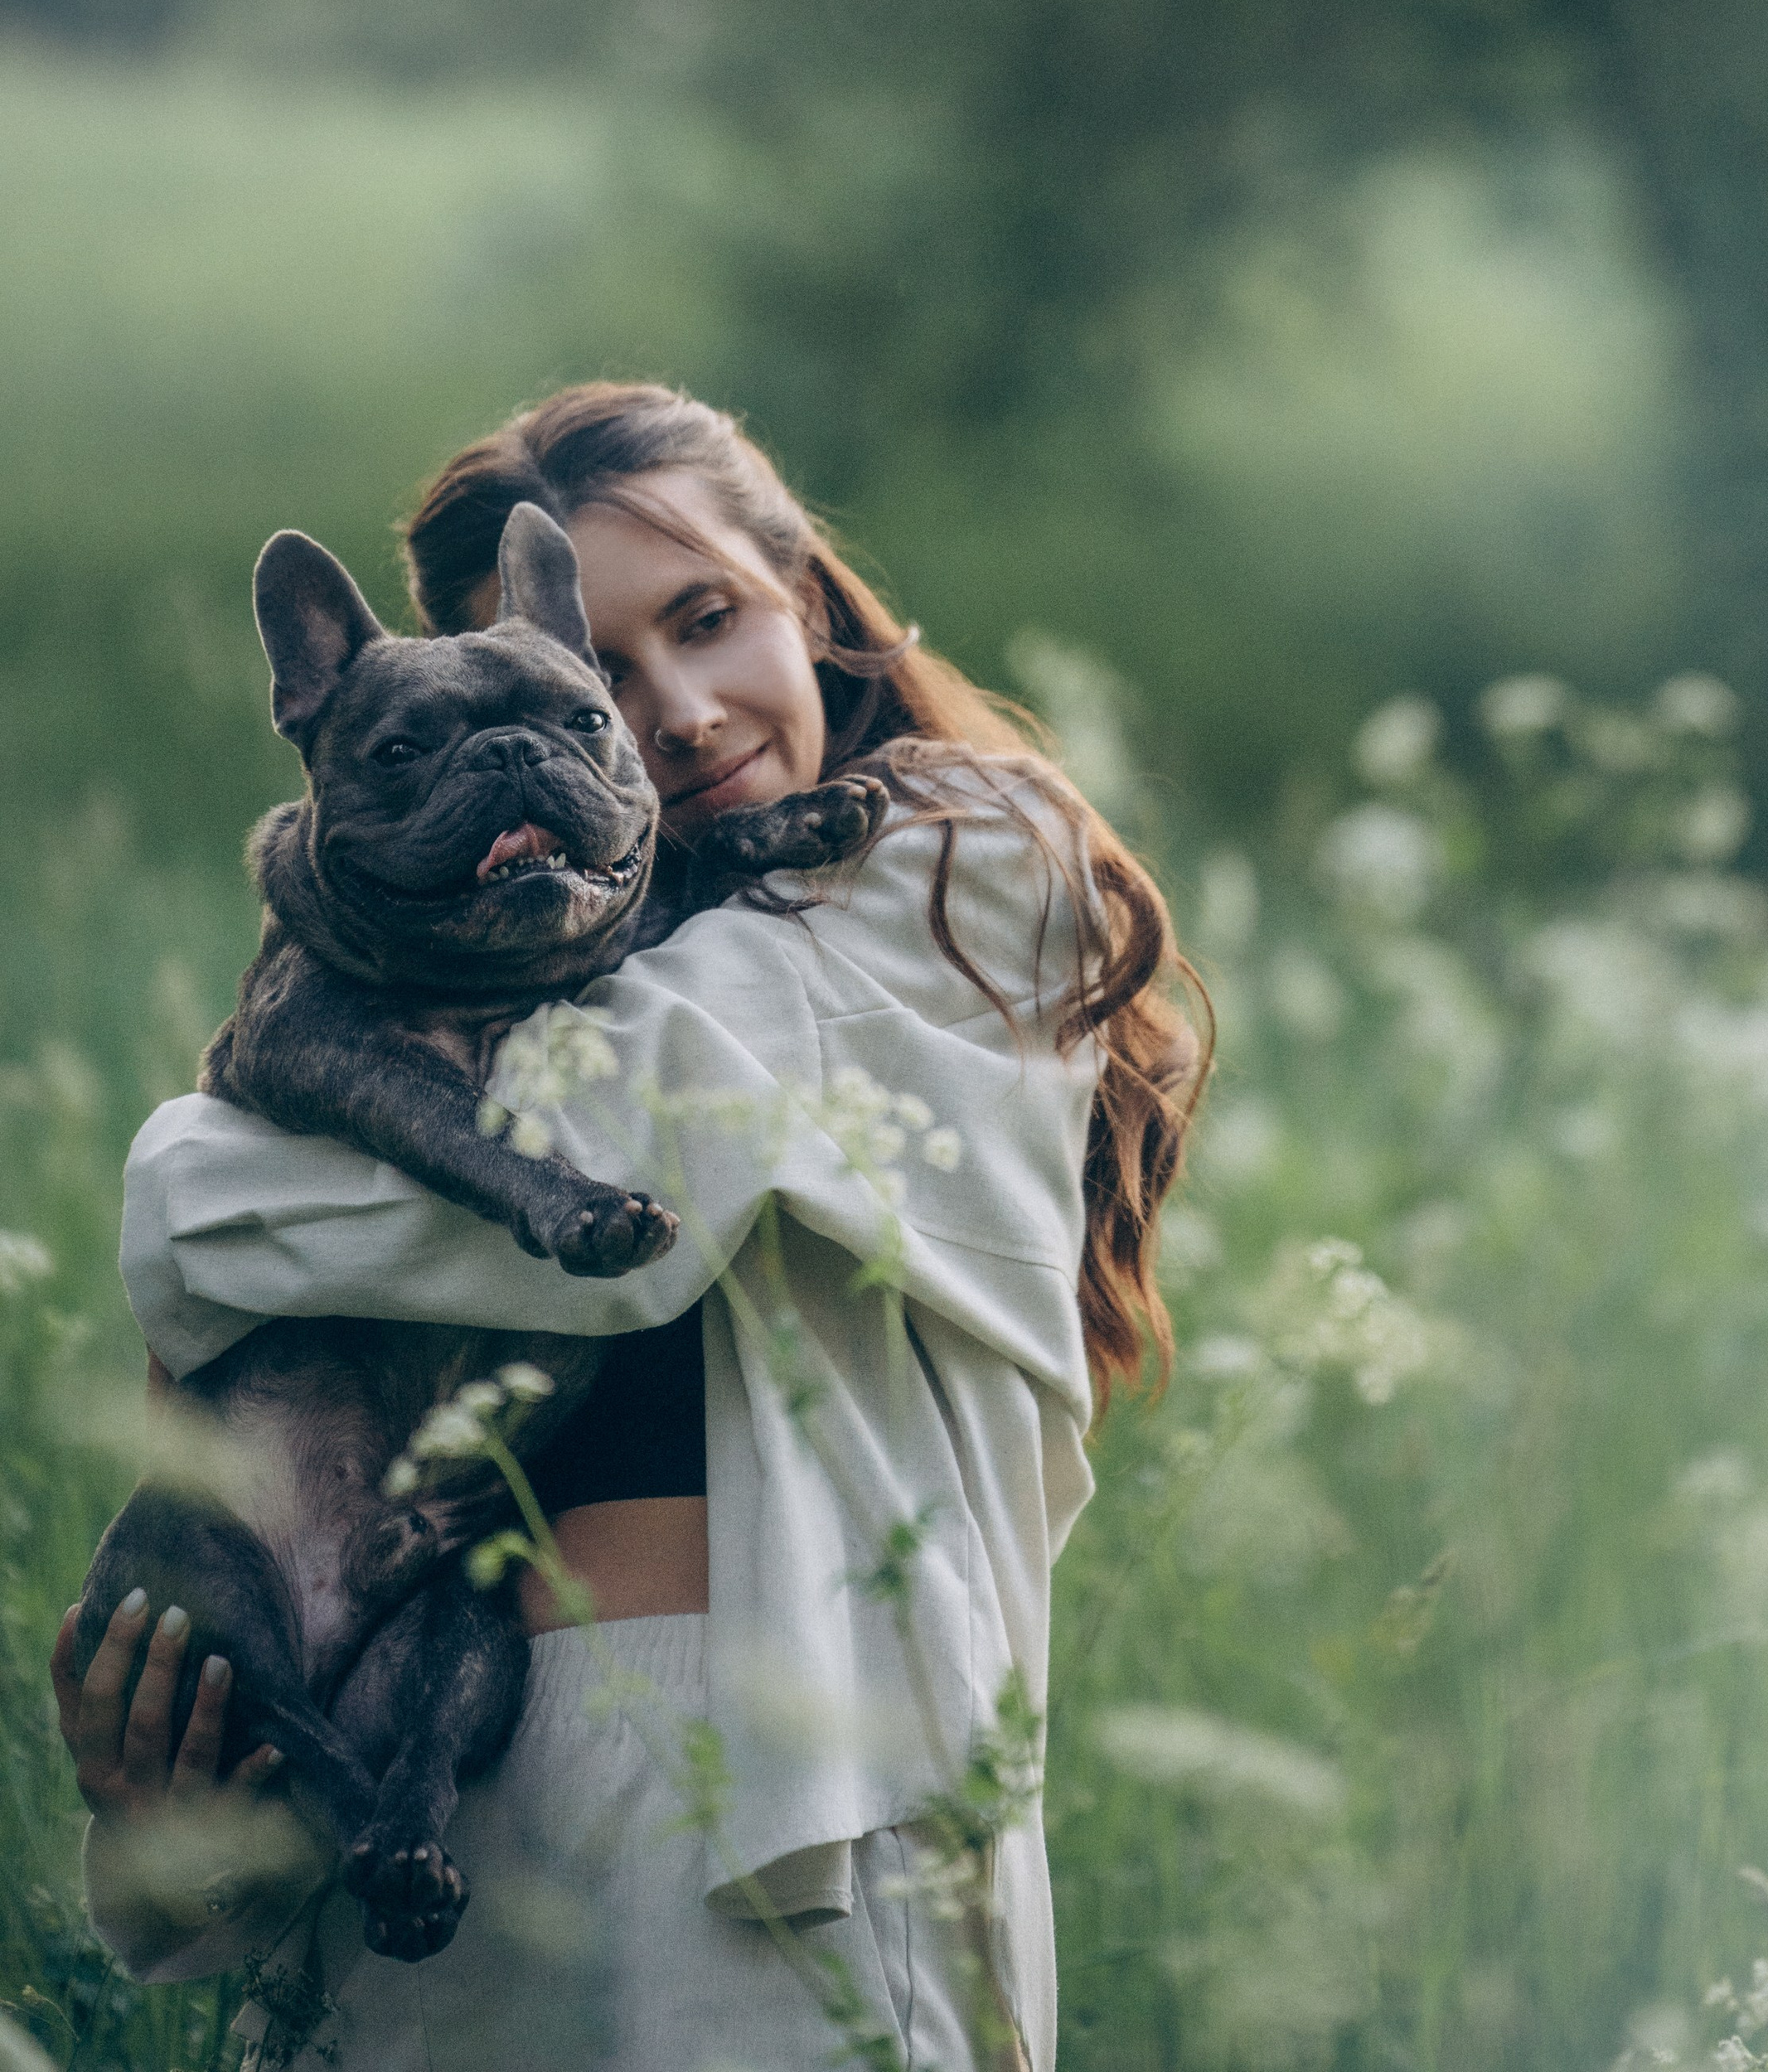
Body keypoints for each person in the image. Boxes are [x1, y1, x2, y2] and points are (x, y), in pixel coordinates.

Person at [51, 380, 1209, 2072]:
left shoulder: (959, 864)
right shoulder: (475, 958)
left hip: (762, 1830)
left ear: (806, 597)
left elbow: (584, 1188)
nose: (668, 710)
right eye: (592, 671)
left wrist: (180, 1178)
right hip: (416, 1819)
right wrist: (176, 1782)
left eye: (707, 618)